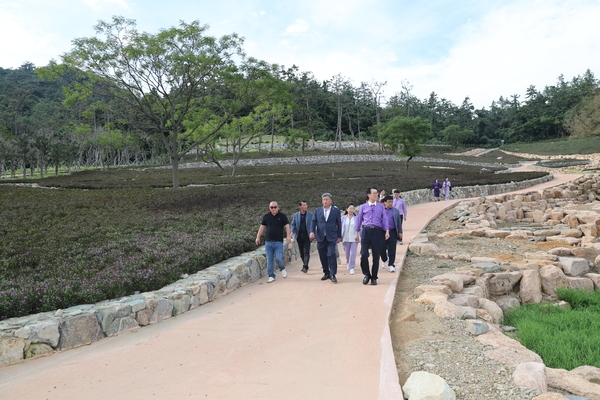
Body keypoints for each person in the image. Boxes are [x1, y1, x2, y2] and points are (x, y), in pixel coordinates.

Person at [355, 187, 390, 286]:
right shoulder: (363, 207)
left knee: (376, 256)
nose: (376, 195)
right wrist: (356, 233)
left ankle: (374, 277)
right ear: (368, 195)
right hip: (366, 231)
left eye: (377, 193)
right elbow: (359, 220)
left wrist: (387, 231)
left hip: (377, 232)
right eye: (374, 193)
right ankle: (366, 274)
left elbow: (385, 219)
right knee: (364, 254)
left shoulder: (381, 207)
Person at [255, 201, 291, 283]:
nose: (273, 209)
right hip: (268, 242)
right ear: (269, 208)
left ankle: (282, 268)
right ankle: (271, 276)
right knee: (269, 260)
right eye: (272, 207)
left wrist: (288, 236)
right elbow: (262, 227)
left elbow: (287, 226)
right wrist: (258, 237)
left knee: (279, 258)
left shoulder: (282, 216)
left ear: (278, 207)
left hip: (278, 242)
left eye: (275, 207)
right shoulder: (266, 217)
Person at [310, 193, 342, 283]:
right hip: (320, 237)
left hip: (332, 237)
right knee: (323, 256)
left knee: (331, 254)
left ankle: (333, 274)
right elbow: (313, 222)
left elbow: (339, 224)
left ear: (330, 201)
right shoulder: (317, 211)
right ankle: (326, 272)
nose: (325, 201)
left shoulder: (335, 211)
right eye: (323, 200)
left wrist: (339, 236)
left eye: (327, 199)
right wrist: (312, 232)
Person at [290, 200, 314, 273]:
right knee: (301, 252)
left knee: (306, 251)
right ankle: (305, 264)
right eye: (303, 205)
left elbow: (313, 224)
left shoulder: (310, 214)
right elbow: (293, 224)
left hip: (307, 235)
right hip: (299, 236)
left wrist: (313, 233)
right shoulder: (296, 215)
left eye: (306, 205)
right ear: (300, 207)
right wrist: (292, 231)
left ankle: (305, 266)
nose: (305, 206)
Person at [380, 195, 402, 273]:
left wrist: (400, 232)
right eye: (389, 202)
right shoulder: (381, 211)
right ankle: (385, 259)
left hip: (392, 231)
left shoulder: (395, 211)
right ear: (385, 202)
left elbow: (399, 222)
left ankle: (391, 265)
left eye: (391, 202)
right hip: (382, 232)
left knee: (392, 249)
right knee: (381, 249)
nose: (390, 203)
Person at [341, 203, 359, 275]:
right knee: (347, 253)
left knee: (353, 253)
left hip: (354, 238)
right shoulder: (342, 218)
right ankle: (348, 262)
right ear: (347, 209)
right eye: (350, 208)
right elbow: (340, 228)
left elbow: (358, 227)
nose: (351, 210)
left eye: (353, 208)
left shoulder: (356, 218)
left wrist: (357, 235)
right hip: (345, 238)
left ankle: (351, 267)